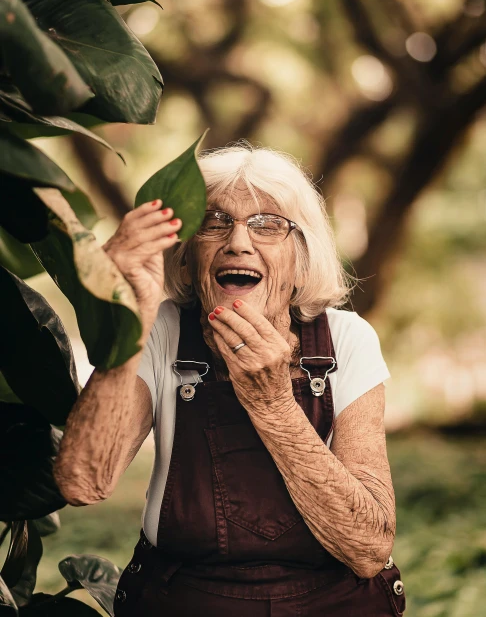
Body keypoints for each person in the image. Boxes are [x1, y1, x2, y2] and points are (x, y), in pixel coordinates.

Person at [54, 143, 406, 616]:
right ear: (187, 255)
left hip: (332, 600)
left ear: (300, 255)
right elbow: (82, 482)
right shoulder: (160, 330)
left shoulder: (347, 338)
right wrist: (127, 312)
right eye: (214, 221)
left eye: (267, 225)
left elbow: (368, 548)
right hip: (186, 598)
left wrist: (274, 404)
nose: (238, 242)